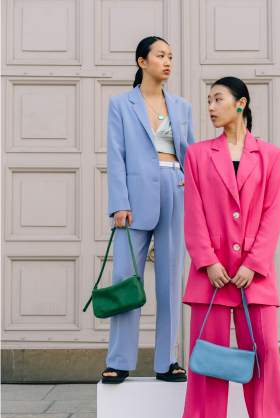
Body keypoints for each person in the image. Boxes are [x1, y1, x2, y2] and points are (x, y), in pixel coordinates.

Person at [164, 77, 280, 418]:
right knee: (205, 361)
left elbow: (272, 215)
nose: (209, 106)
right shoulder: (197, 154)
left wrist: (255, 264)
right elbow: (193, 212)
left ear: (240, 104)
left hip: (254, 277)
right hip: (212, 275)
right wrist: (208, 261)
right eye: (208, 100)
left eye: (217, 99)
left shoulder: (272, 156)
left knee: (266, 356)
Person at [102, 36, 195, 384]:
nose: (167, 61)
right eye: (160, 55)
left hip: (175, 189)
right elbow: (116, 156)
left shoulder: (181, 106)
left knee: (171, 282)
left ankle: (166, 361)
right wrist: (118, 204)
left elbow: (191, 154)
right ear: (142, 61)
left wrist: (193, 187)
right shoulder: (121, 104)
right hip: (134, 199)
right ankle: (120, 360)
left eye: (171, 56)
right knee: (127, 279)